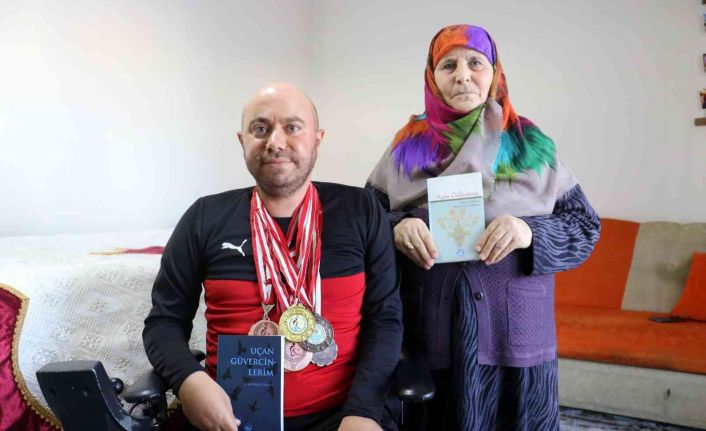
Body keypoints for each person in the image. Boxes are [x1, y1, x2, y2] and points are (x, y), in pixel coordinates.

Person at [366, 24, 600, 430]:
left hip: (517, 343)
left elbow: (584, 227)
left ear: (494, 72)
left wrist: (530, 233)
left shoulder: (530, 144)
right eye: (448, 65)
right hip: (430, 337)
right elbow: (363, 225)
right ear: (432, 76)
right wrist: (395, 227)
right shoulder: (406, 146)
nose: (462, 75)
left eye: (475, 63)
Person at [144, 82, 402, 431]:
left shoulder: (362, 210)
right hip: (230, 419)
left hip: (342, 417)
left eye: (292, 127)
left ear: (318, 139)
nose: (276, 142)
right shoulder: (203, 218)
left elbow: (385, 319)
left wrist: (364, 411)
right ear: (242, 141)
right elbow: (163, 322)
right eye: (261, 128)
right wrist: (188, 380)